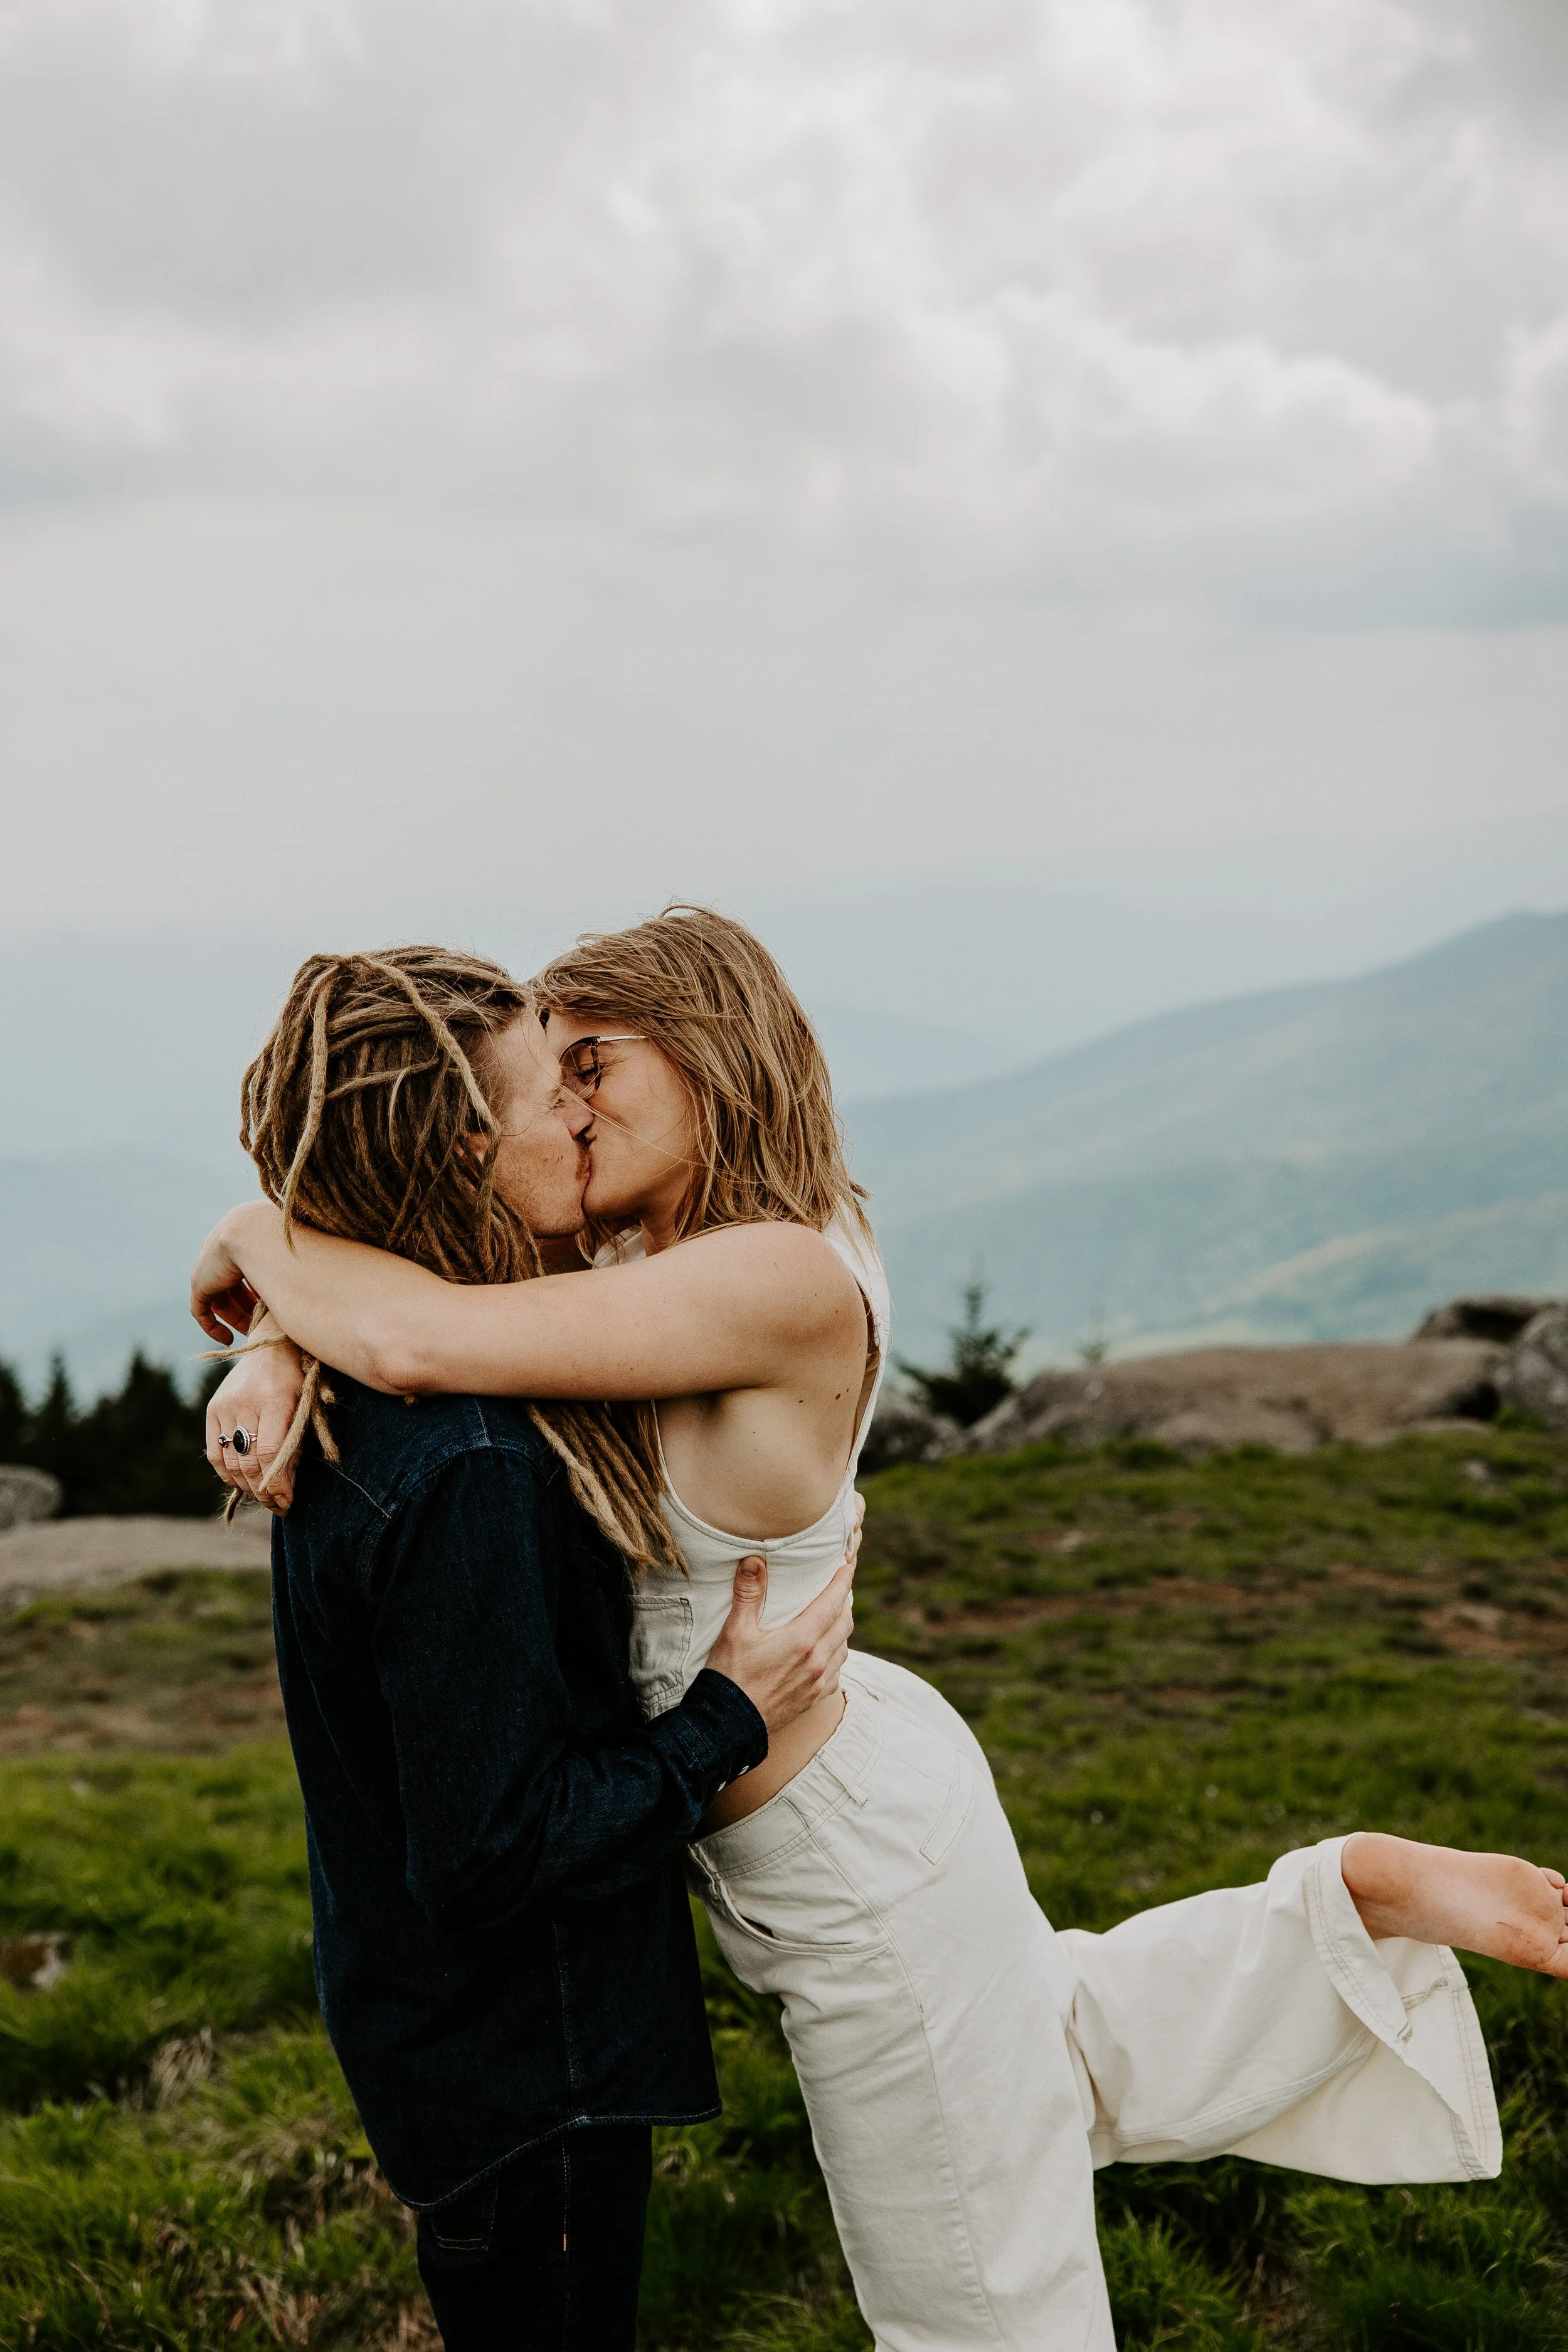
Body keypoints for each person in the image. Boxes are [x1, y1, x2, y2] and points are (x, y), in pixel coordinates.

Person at [197, 909, 1568, 2352]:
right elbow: (424, 1294)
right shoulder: (647, 1275)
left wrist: (255, 1241)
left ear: (713, 1057)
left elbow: (418, 1340)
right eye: (560, 1078)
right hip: (844, 1780)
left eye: (594, 1064)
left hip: (843, 1860)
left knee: (975, 2297)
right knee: (1036, 2041)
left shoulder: (773, 1277)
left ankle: (1341, 1907)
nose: (570, 1108)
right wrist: (282, 1322)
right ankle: (1341, 1905)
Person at [206, 945, 861, 2352]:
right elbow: (497, 1849)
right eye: (546, 1092)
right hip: (525, 2074)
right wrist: (723, 1718)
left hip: (451, 2047)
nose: (577, 1117)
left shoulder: (391, 1400)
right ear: (462, 1145)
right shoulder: (474, 1467)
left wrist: (270, 1293)